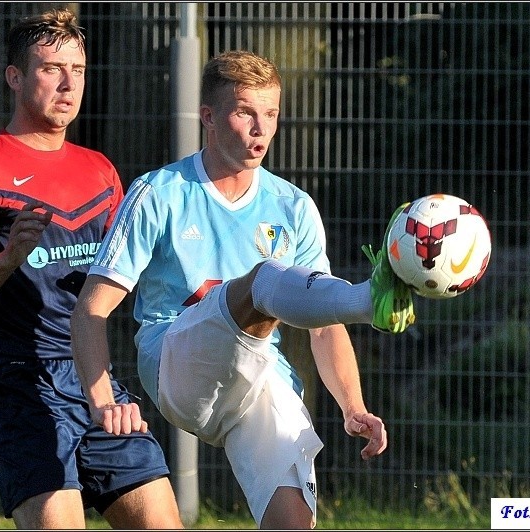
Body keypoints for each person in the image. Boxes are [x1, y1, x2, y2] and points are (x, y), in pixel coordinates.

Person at [70, 50, 415, 529]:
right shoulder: (159, 192)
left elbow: (322, 327)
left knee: (293, 523)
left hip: (261, 379)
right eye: (245, 112)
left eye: (271, 114)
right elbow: (91, 309)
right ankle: (368, 298)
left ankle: (365, 298)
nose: (262, 129)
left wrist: (353, 407)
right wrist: (104, 400)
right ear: (208, 117)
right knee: (263, 280)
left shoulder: (292, 205)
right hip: (178, 364)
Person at [0, 8, 183, 529]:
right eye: (52, 68)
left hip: (95, 378)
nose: (69, 83)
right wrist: (6, 261)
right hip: (20, 382)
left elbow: (129, 276)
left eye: (79, 69)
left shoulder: (101, 171)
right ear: (16, 76)